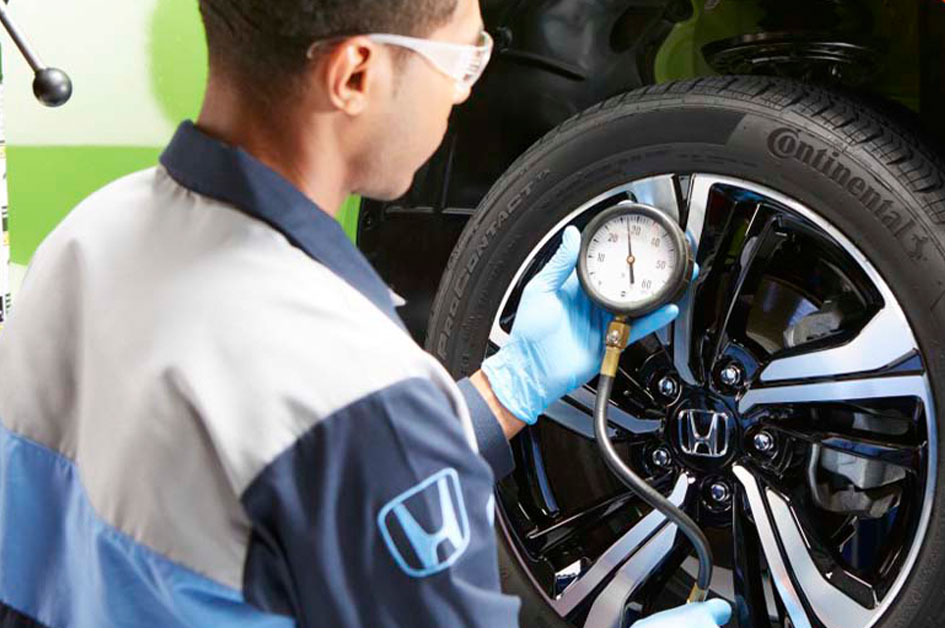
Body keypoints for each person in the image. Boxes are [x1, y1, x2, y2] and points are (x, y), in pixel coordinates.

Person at [0, 0, 733, 626]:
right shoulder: (355, 389)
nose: (462, 94)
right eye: (464, 60)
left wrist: (504, 391)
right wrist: (411, 439)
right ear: (356, 74)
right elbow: (334, 435)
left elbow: (268, 487)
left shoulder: (84, 239)